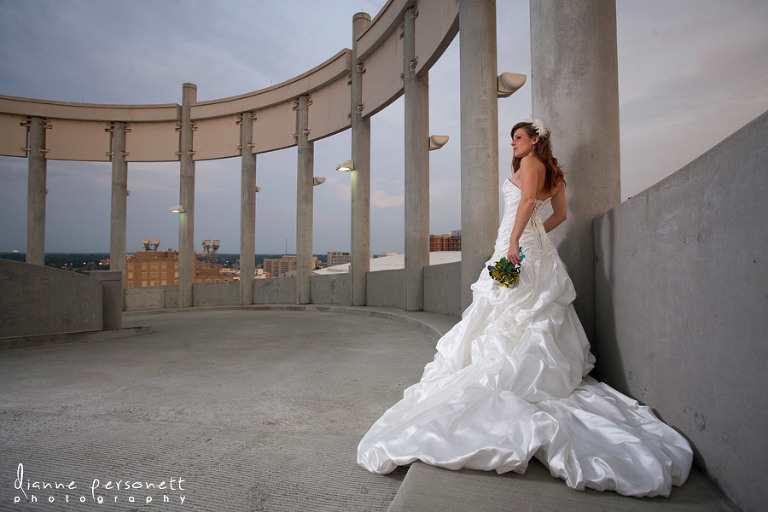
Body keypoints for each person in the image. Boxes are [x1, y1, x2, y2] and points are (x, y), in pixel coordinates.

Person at [357, 120, 693, 497]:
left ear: (535, 140)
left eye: (518, 138)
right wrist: (536, 236)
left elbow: (528, 202)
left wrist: (517, 240)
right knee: (521, 312)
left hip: (516, 244)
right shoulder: (553, 173)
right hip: (531, 245)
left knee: (509, 311)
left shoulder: (531, 164)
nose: (513, 144)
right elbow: (560, 214)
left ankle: (510, 375)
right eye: (512, 139)